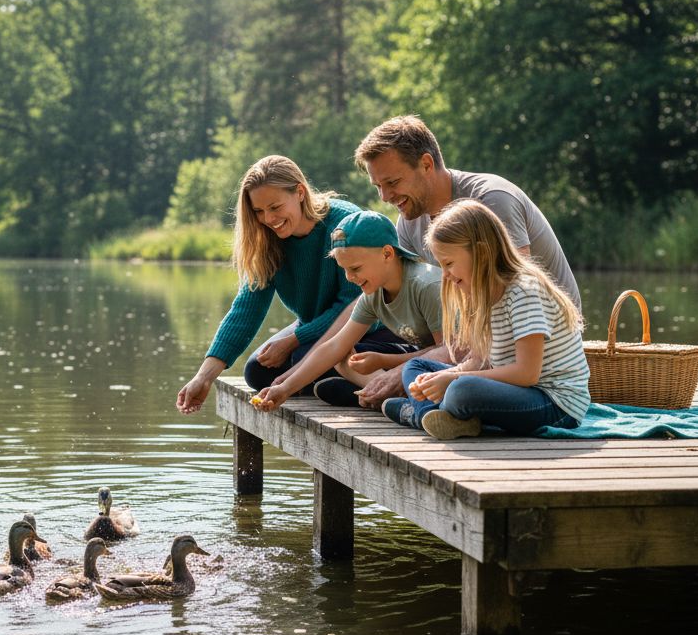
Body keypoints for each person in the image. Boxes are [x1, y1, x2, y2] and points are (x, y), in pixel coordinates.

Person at [351, 115, 581, 405]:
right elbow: (424, 306)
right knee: (409, 367)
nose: (385, 196)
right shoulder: (408, 223)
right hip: (474, 342)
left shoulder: (492, 200)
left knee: (431, 378)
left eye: (392, 182)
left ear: (425, 164)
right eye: (377, 186)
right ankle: (409, 397)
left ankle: (413, 398)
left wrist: (402, 371)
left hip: (531, 346)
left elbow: (510, 292)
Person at [175, 156, 413, 414]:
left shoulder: (344, 225)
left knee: (300, 359)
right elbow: (246, 310)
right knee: (257, 372)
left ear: (300, 192)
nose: (268, 218)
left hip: (371, 327)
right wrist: (204, 376)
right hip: (313, 327)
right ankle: (344, 387)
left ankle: (368, 385)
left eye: (275, 207)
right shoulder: (268, 240)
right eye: (258, 211)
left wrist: (293, 340)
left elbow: (354, 305)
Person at [385, 199, 590, 440]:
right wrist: (439, 378)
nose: (446, 275)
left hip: (553, 403)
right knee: (417, 367)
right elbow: (479, 362)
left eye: (449, 264)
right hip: (515, 390)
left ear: (481, 253)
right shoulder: (480, 292)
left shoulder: (525, 291)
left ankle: (422, 414)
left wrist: (454, 378)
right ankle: (436, 417)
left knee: (462, 390)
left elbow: (527, 374)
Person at [251, 210, 443, 411]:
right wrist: (284, 389)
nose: (349, 277)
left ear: (387, 253)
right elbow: (335, 346)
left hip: (452, 366)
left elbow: (449, 352)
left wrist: (389, 361)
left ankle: (394, 397)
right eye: (344, 269)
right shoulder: (373, 293)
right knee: (346, 358)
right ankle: (389, 395)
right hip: (418, 364)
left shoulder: (426, 286)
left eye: (356, 268)